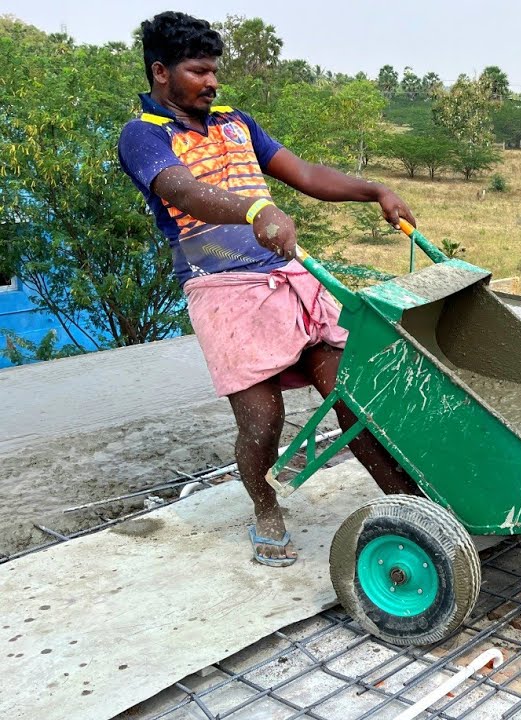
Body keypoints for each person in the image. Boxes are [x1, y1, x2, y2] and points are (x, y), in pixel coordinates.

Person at [118, 11, 422, 567]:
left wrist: (372, 189)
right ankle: (264, 504)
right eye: (199, 72)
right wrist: (255, 208)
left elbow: (303, 174)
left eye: (215, 71)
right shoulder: (142, 136)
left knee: (353, 396)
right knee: (263, 422)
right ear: (161, 73)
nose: (212, 83)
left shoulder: (237, 123)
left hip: (290, 279)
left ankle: (413, 509)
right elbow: (182, 191)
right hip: (222, 291)